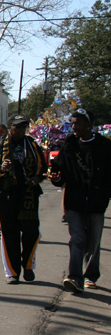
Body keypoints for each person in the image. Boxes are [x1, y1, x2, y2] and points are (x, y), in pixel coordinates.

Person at [50, 109, 111, 293]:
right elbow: (58, 168)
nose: (74, 127)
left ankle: (90, 275)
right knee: (77, 238)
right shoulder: (70, 144)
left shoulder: (105, 146)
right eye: (72, 123)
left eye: (77, 123)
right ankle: (75, 277)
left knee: (93, 242)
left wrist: (105, 195)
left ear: (89, 125)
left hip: (96, 202)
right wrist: (56, 178)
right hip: (74, 201)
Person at [0, 114, 46, 284]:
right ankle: (12, 272)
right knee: (10, 234)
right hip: (7, 195)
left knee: (31, 232)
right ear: (10, 127)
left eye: (23, 127)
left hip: (28, 195)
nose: (20, 130)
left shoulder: (32, 145)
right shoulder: (0, 146)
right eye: (17, 127)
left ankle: (28, 265)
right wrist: (1, 169)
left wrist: (37, 178)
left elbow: (42, 167)